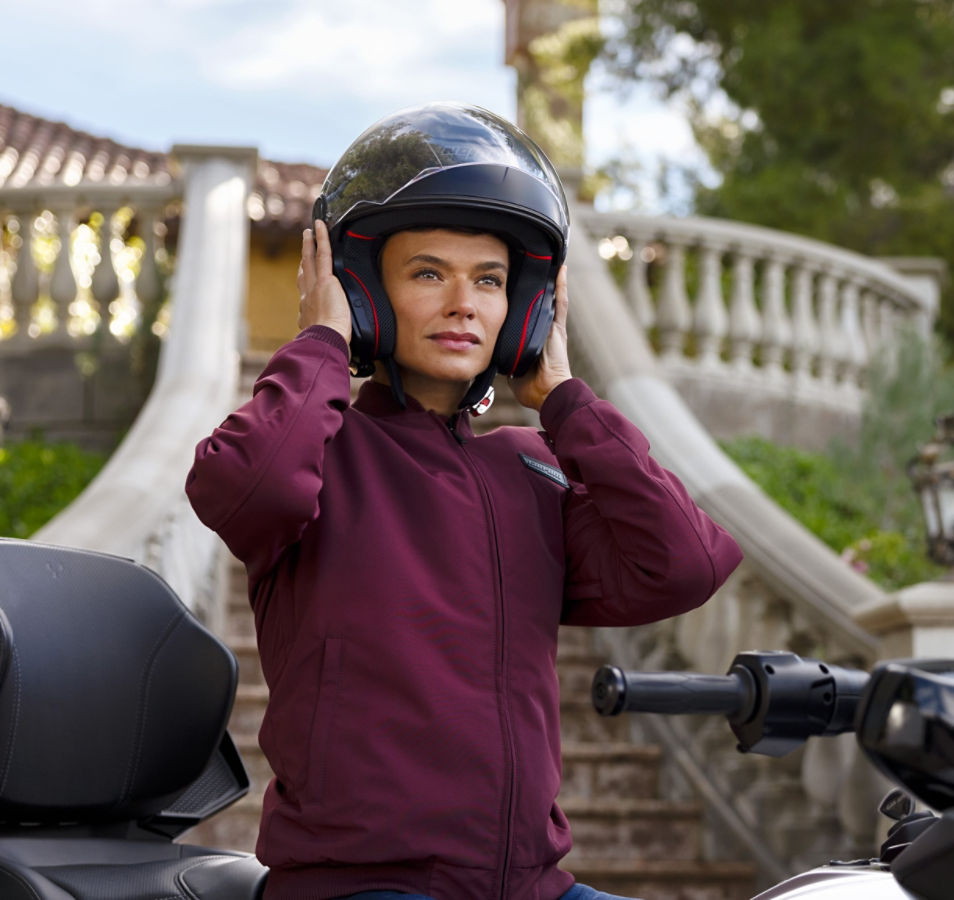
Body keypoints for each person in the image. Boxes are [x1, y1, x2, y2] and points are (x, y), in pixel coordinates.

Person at [185, 103, 742, 900]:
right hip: (359, 887)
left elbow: (682, 565)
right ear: (364, 294)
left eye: (488, 281)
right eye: (427, 274)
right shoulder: (317, 453)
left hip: (532, 887)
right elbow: (241, 487)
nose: (464, 304)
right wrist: (322, 346)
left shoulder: (528, 470)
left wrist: (563, 398)